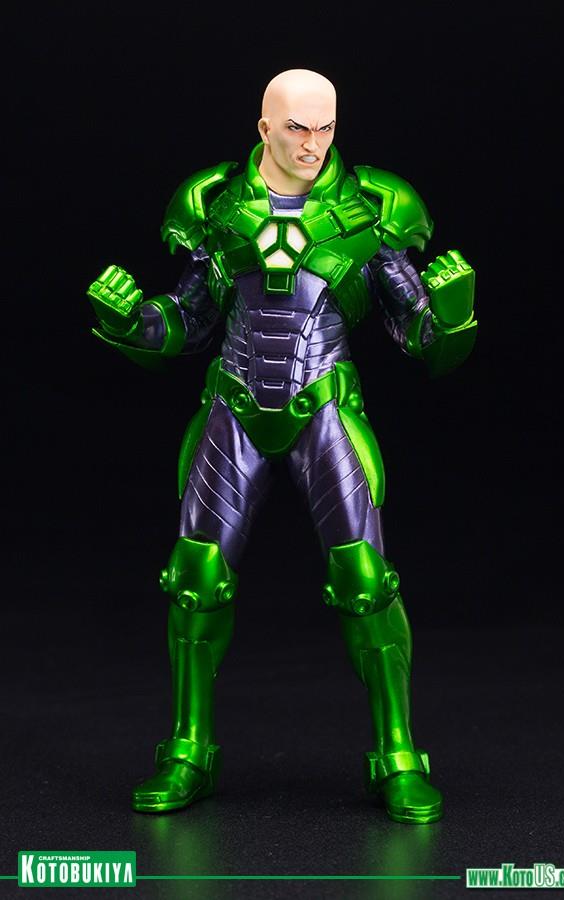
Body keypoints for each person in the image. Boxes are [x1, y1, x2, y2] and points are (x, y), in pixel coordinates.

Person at [88, 69, 476, 823]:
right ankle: (187, 749)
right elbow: (190, 318)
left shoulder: (371, 210)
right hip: (233, 405)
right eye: (297, 127)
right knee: (194, 576)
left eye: (326, 127)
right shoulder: (217, 205)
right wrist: (133, 323)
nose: (313, 143)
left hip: (324, 407)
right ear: (265, 127)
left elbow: (419, 333)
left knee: (366, 578)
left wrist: (453, 317)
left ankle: (398, 755)